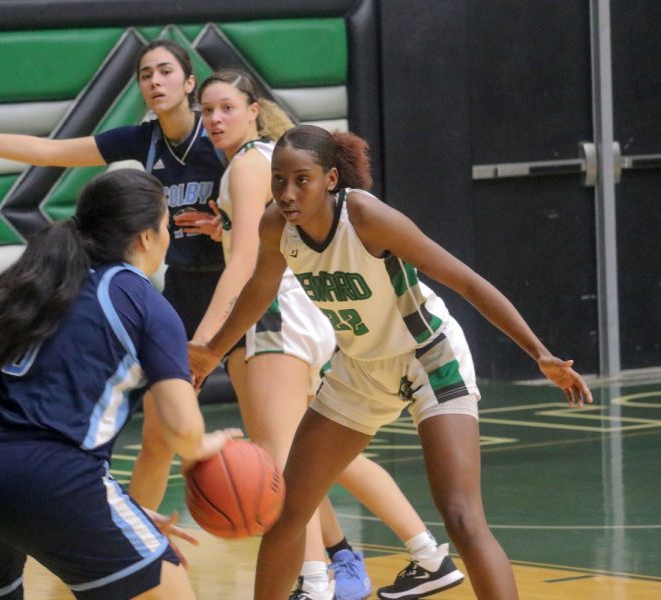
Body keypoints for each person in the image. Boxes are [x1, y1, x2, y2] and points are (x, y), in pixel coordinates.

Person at [189, 124, 593, 600]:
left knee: (461, 516)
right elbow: (259, 291)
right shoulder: (276, 225)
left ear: (332, 179)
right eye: (279, 180)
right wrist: (213, 351)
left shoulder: (365, 216)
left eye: (303, 179)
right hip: (361, 368)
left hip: (429, 357)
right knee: (288, 511)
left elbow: (466, 282)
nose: (289, 192)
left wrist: (540, 354)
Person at [0, 40, 227, 509]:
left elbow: (271, 193)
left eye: (166, 71)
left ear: (189, 82)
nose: (155, 81)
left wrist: (229, 225)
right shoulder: (142, 140)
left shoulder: (223, 137)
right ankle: (144, 541)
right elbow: (48, 151)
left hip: (240, 289)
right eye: (146, 74)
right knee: (158, 437)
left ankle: (327, 559)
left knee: (279, 433)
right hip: (184, 290)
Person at [187, 72, 461, 600]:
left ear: (253, 110)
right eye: (207, 111)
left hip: (278, 319)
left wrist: (206, 342)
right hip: (315, 318)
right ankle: (426, 554)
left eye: (225, 107)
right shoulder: (263, 165)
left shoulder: (250, 165)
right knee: (321, 456)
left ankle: (313, 581)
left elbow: (248, 261)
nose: (215, 118)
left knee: (282, 461)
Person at [0, 169, 240, 600]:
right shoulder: (144, 302)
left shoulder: (48, 285)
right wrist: (204, 447)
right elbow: (183, 428)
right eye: (165, 226)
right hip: (53, 477)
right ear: (145, 238)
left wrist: (111, 518)